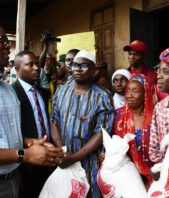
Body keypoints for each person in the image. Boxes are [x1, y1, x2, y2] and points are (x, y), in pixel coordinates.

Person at [0, 22, 62, 198]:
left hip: (10, 181)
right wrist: (25, 154)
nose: (8, 45)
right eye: (3, 40)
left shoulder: (5, 88)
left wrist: (27, 142)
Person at [51, 50, 115, 198]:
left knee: (89, 193)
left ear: (94, 70)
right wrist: (62, 151)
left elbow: (101, 133)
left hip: (89, 162)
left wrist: (75, 157)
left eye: (84, 65)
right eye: (75, 65)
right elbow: (55, 121)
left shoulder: (103, 96)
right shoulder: (61, 92)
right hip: (64, 160)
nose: (78, 69)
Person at [12, 50, 52, 198]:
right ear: (17, 69)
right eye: (30, 64)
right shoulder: (12, 93)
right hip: (26, 162)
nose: (36, 68)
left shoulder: (41, 92)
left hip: (47, 155)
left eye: (37, 64)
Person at [114, 74, 155, 187]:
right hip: (128, 177)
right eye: (127, 91)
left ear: (145, 93)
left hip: (155, 175)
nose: (129, 95)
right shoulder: (119, 116)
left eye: (135, 91)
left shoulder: (157, 117)